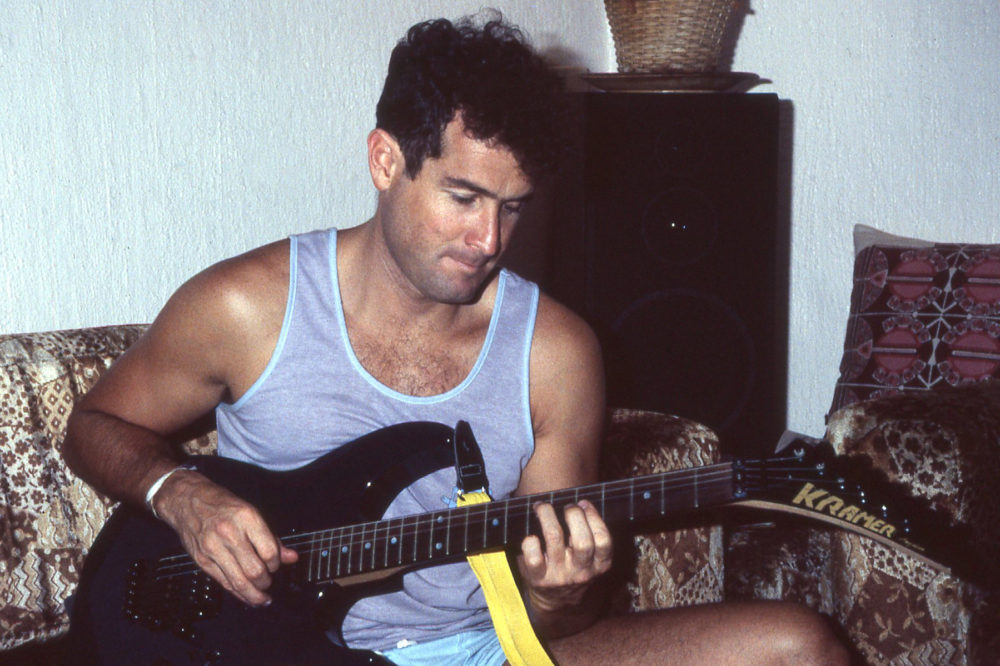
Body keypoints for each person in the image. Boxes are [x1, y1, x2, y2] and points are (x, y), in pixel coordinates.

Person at [64, 12, 849, 665]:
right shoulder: (246, 306)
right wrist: (183, 494)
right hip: (271, 645)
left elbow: (555, 631)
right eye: (464, 196)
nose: (489, 238)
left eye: (514, 206)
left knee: (799, 643)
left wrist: (558, 593)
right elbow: (93, 427)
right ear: (385, 159)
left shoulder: (557, 353)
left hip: (479, 645)